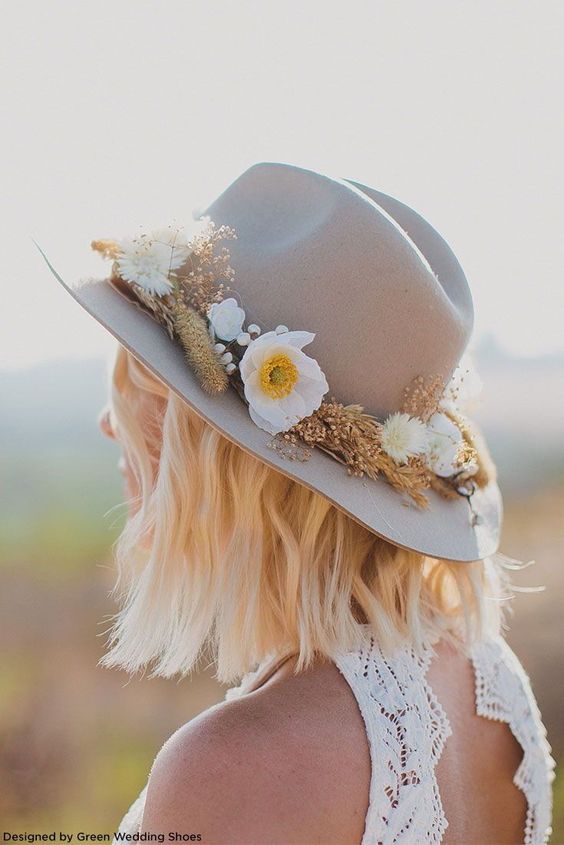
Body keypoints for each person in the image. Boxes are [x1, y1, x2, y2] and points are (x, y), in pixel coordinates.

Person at [49, 163, 554, 844]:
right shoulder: (489, 682)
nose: (112, 424)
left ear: (223, 455)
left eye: (151, 387)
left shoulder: (227, 770)